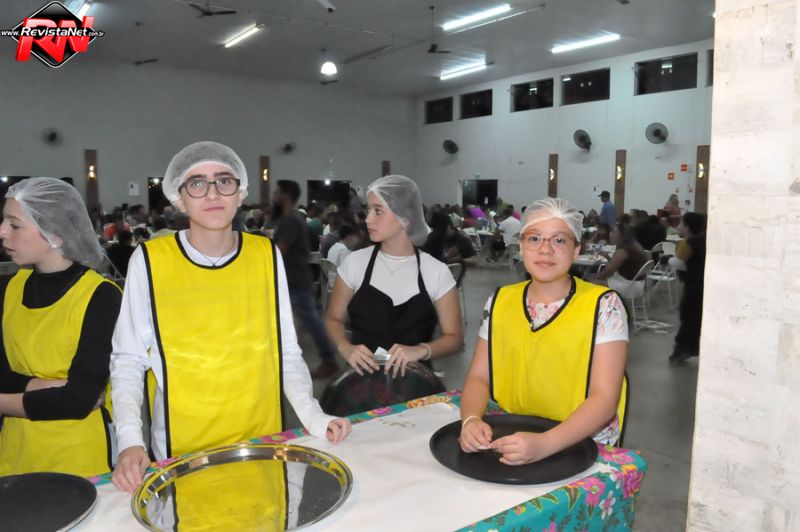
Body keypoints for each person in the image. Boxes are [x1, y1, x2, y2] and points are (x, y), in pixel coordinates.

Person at [110, 142, 350, 493]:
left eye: (224, 181)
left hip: (263, 443)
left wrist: (313, 416)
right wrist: (130, 440)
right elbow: (128, 359)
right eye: (197, 183)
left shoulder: (265, 254)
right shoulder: (149, 260)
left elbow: (284, 350)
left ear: (241, 194)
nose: (212, 193)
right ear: (179, 198)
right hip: (183, 450)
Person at [459, 198, 628, 465]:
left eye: (559, 240)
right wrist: (470, 420)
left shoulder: (603, 305)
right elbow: (479, 376)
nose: (545, 249)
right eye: (534, 238)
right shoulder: (500, 300)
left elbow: (605, 398)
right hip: (514, 429)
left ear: (576, 249)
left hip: (581, 439)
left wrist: (545, 444)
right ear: (521, 246)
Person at [0, 177, 122, 476]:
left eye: (14, 225)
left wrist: (5, 398)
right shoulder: (11, 288)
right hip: (16, 453)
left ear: (54, 233)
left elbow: (78, 400)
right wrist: (42, 385)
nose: (2, 231)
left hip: (79, 457)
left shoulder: (100, 297)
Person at [325, 175, 463, 378]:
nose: (368, 219)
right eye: (368, 210)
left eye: (378, 211)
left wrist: (422, 350)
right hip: (361, 382)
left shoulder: (435, 272)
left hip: (416, 383)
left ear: (405, 218)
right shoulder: (355, 264)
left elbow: (454, 337)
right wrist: (345, 347)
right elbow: (333, 318)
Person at [272, 180, 341, 379]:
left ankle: (329, 358)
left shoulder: (291, 220)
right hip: (295, 278)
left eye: (277, 192)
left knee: (311, 320)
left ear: (286, 195)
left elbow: (280, 250)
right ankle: (327, 358)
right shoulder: (292, 218)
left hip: (294, 279)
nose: (275, 195)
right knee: (306, 319)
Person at [670, 212, 707, 362]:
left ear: (688, 227)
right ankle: (694, 346)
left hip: (693, 284)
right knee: (696, 316)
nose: (678, 226)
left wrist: (668, 260)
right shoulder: (705, 239)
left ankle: (683, 347)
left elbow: (678, 262)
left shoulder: (689, 243)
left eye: (681, 223)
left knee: (687, 315)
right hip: (703, 282)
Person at [593, 223, 649, 294]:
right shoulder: (634, 245)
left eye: (615, 232)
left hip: (629, 286)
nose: (611, 234)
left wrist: (595, 278)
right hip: (638, 284)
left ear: (622, 235)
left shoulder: (624, 249)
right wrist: (607, 256)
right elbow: (621, 264)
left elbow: (609, 271)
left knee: (592, 283)